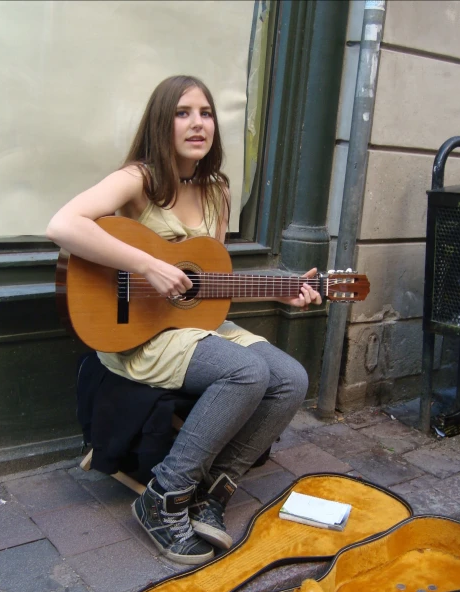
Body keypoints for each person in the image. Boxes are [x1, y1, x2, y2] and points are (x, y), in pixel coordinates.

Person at [47, 75, 322, 567]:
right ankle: (165, 495)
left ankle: (215, 491)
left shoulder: (217, 191)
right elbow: (63, 225)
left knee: (290, 378)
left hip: (191, 327)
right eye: (182, 112)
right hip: (137, 335)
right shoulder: (140, 179)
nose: (198, 123)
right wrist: (147, 264)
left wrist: (282, 289)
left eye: (206, 112)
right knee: (246, 371)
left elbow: (207, 284)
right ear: (161, 122)